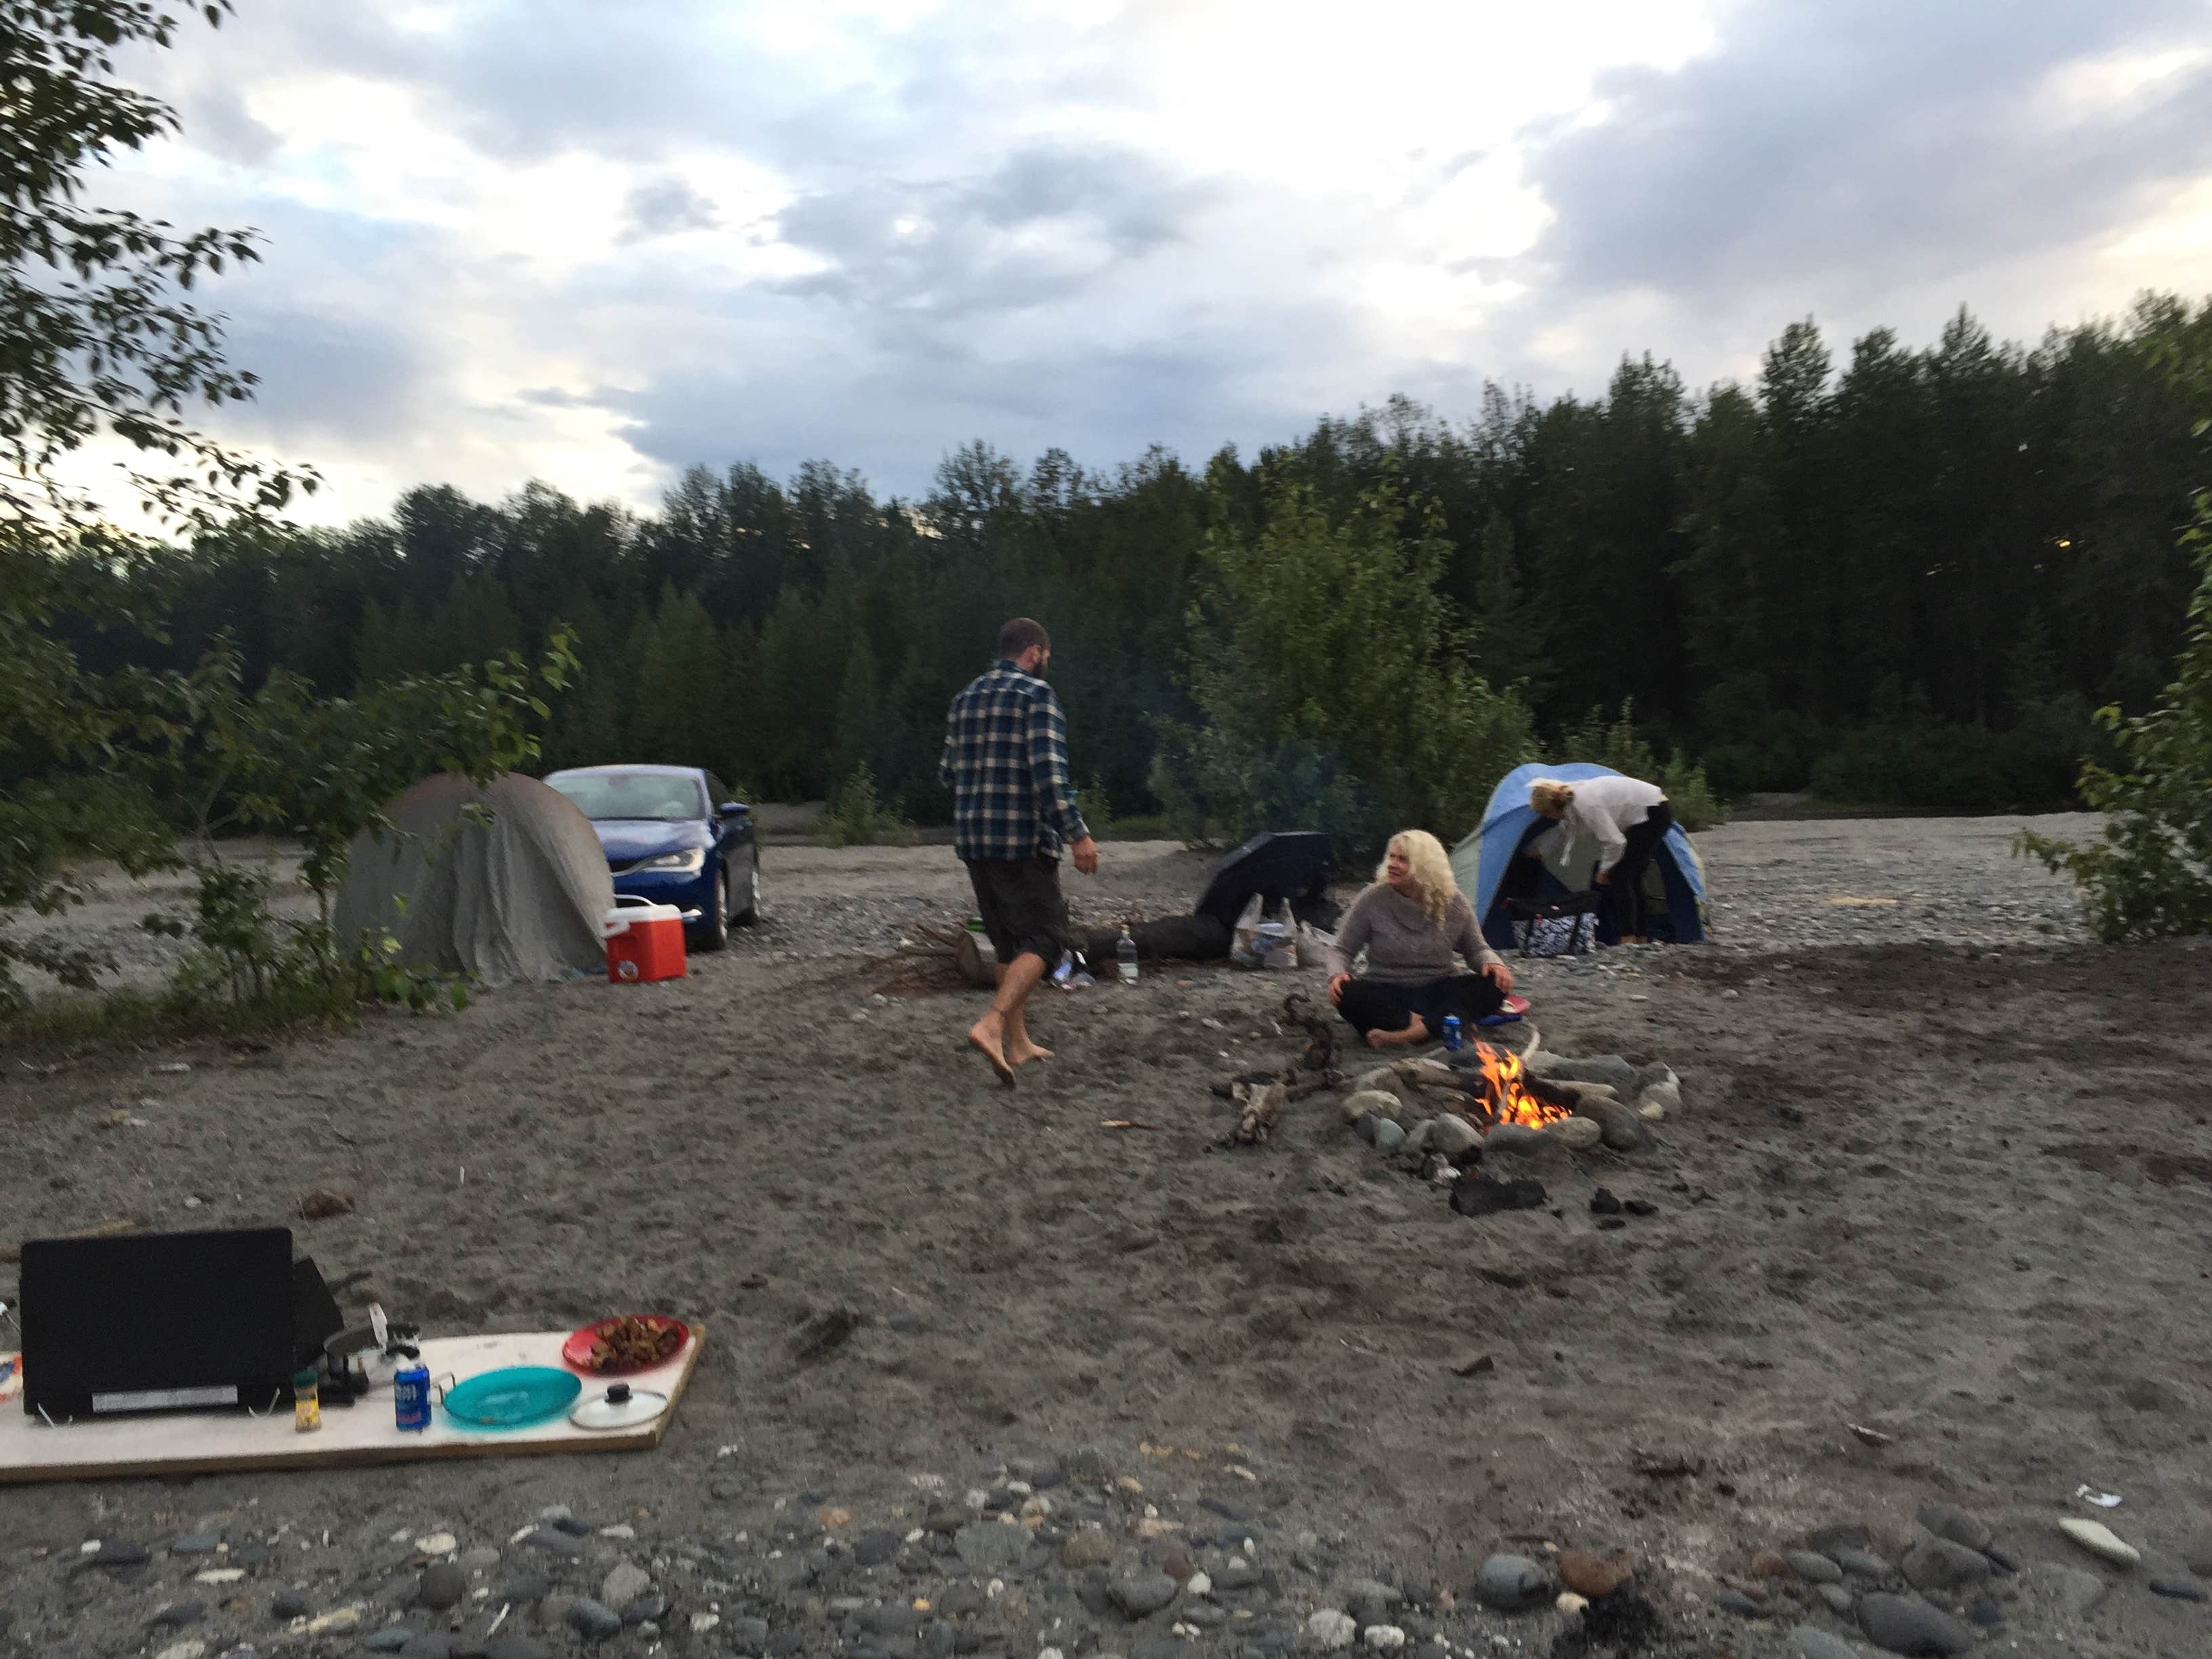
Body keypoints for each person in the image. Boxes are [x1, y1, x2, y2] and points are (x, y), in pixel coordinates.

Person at [940, 617, 1100, 1086]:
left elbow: (949, 774)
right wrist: (1079, 836)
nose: (1046, 664)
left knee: (1009, 943)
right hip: (1021, 843)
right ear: (1034, 652)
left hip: (975, 843)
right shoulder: (1037, 696)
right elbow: (1049, 776)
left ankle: (1018, 1043)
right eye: (1046, 657)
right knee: (1049, 939)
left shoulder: (963, 699)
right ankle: (991, 1025)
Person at [1326, 830, 1514, 1048]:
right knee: (1348, 994)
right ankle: (1441, 1025)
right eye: (1392, 857)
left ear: (1424, 866)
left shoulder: (1453, 902)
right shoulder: (1372, 899)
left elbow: (1476, 950)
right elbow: (1341, 950)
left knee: (1495, 986)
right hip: (1387, 990)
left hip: (1439, 987)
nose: (1393, 864)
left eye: (1403, 860)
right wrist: (1337, 974)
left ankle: (1403, 1036)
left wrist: (1492, 963)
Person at [1527, 775, 1673, 943]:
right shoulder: (1572, 799)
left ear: (1551, 808)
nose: (1547, 817)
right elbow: (1564, 830)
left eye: (1545, 813)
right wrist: (1538, 848)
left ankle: (1628, 937)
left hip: (1653, 811)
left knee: (1620, 876)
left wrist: (1604, 870)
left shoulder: (1586, 803)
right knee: (1632, 875)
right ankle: (1640, 936)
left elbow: (1615, 841)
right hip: (1651, 808)